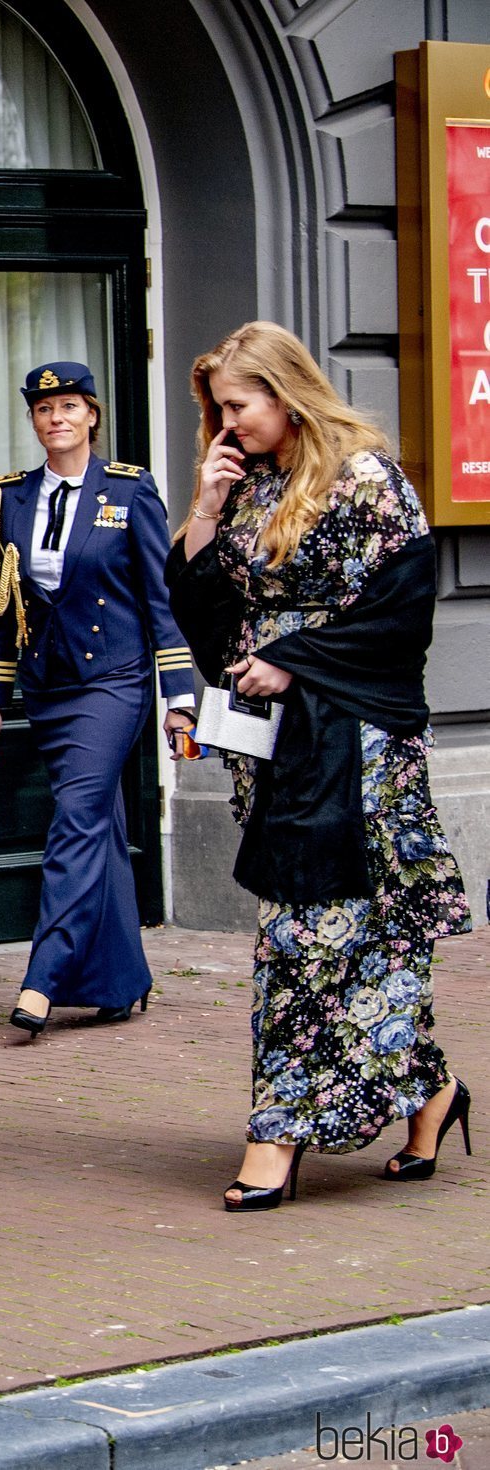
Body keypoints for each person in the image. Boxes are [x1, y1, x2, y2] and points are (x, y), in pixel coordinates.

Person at [164, 321, 472, 1212]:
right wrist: (209, 510)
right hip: (277, 745)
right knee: (347, 933)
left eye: (239, 405)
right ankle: (433, 1094)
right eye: (217, 410)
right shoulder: (248, 484)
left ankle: (278, 1130)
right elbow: (202, 611)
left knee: (308, 933)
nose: (227, 423)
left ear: (285, 392)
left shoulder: (366, 478)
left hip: (357, 743)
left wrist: (296, 657)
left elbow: (402, 613)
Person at [0, 361, 196, 1037]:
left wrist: (180, 697)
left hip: (114, 682)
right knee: (98, 825)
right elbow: (0, 606)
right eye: (44, 410)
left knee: (74, 817)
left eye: (70, 406)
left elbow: (164, 600)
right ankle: (121, 981)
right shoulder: (9, 497)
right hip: (48, 686)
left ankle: (44, 977)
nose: (56, 419)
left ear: (91, 415)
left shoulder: (129, 492)